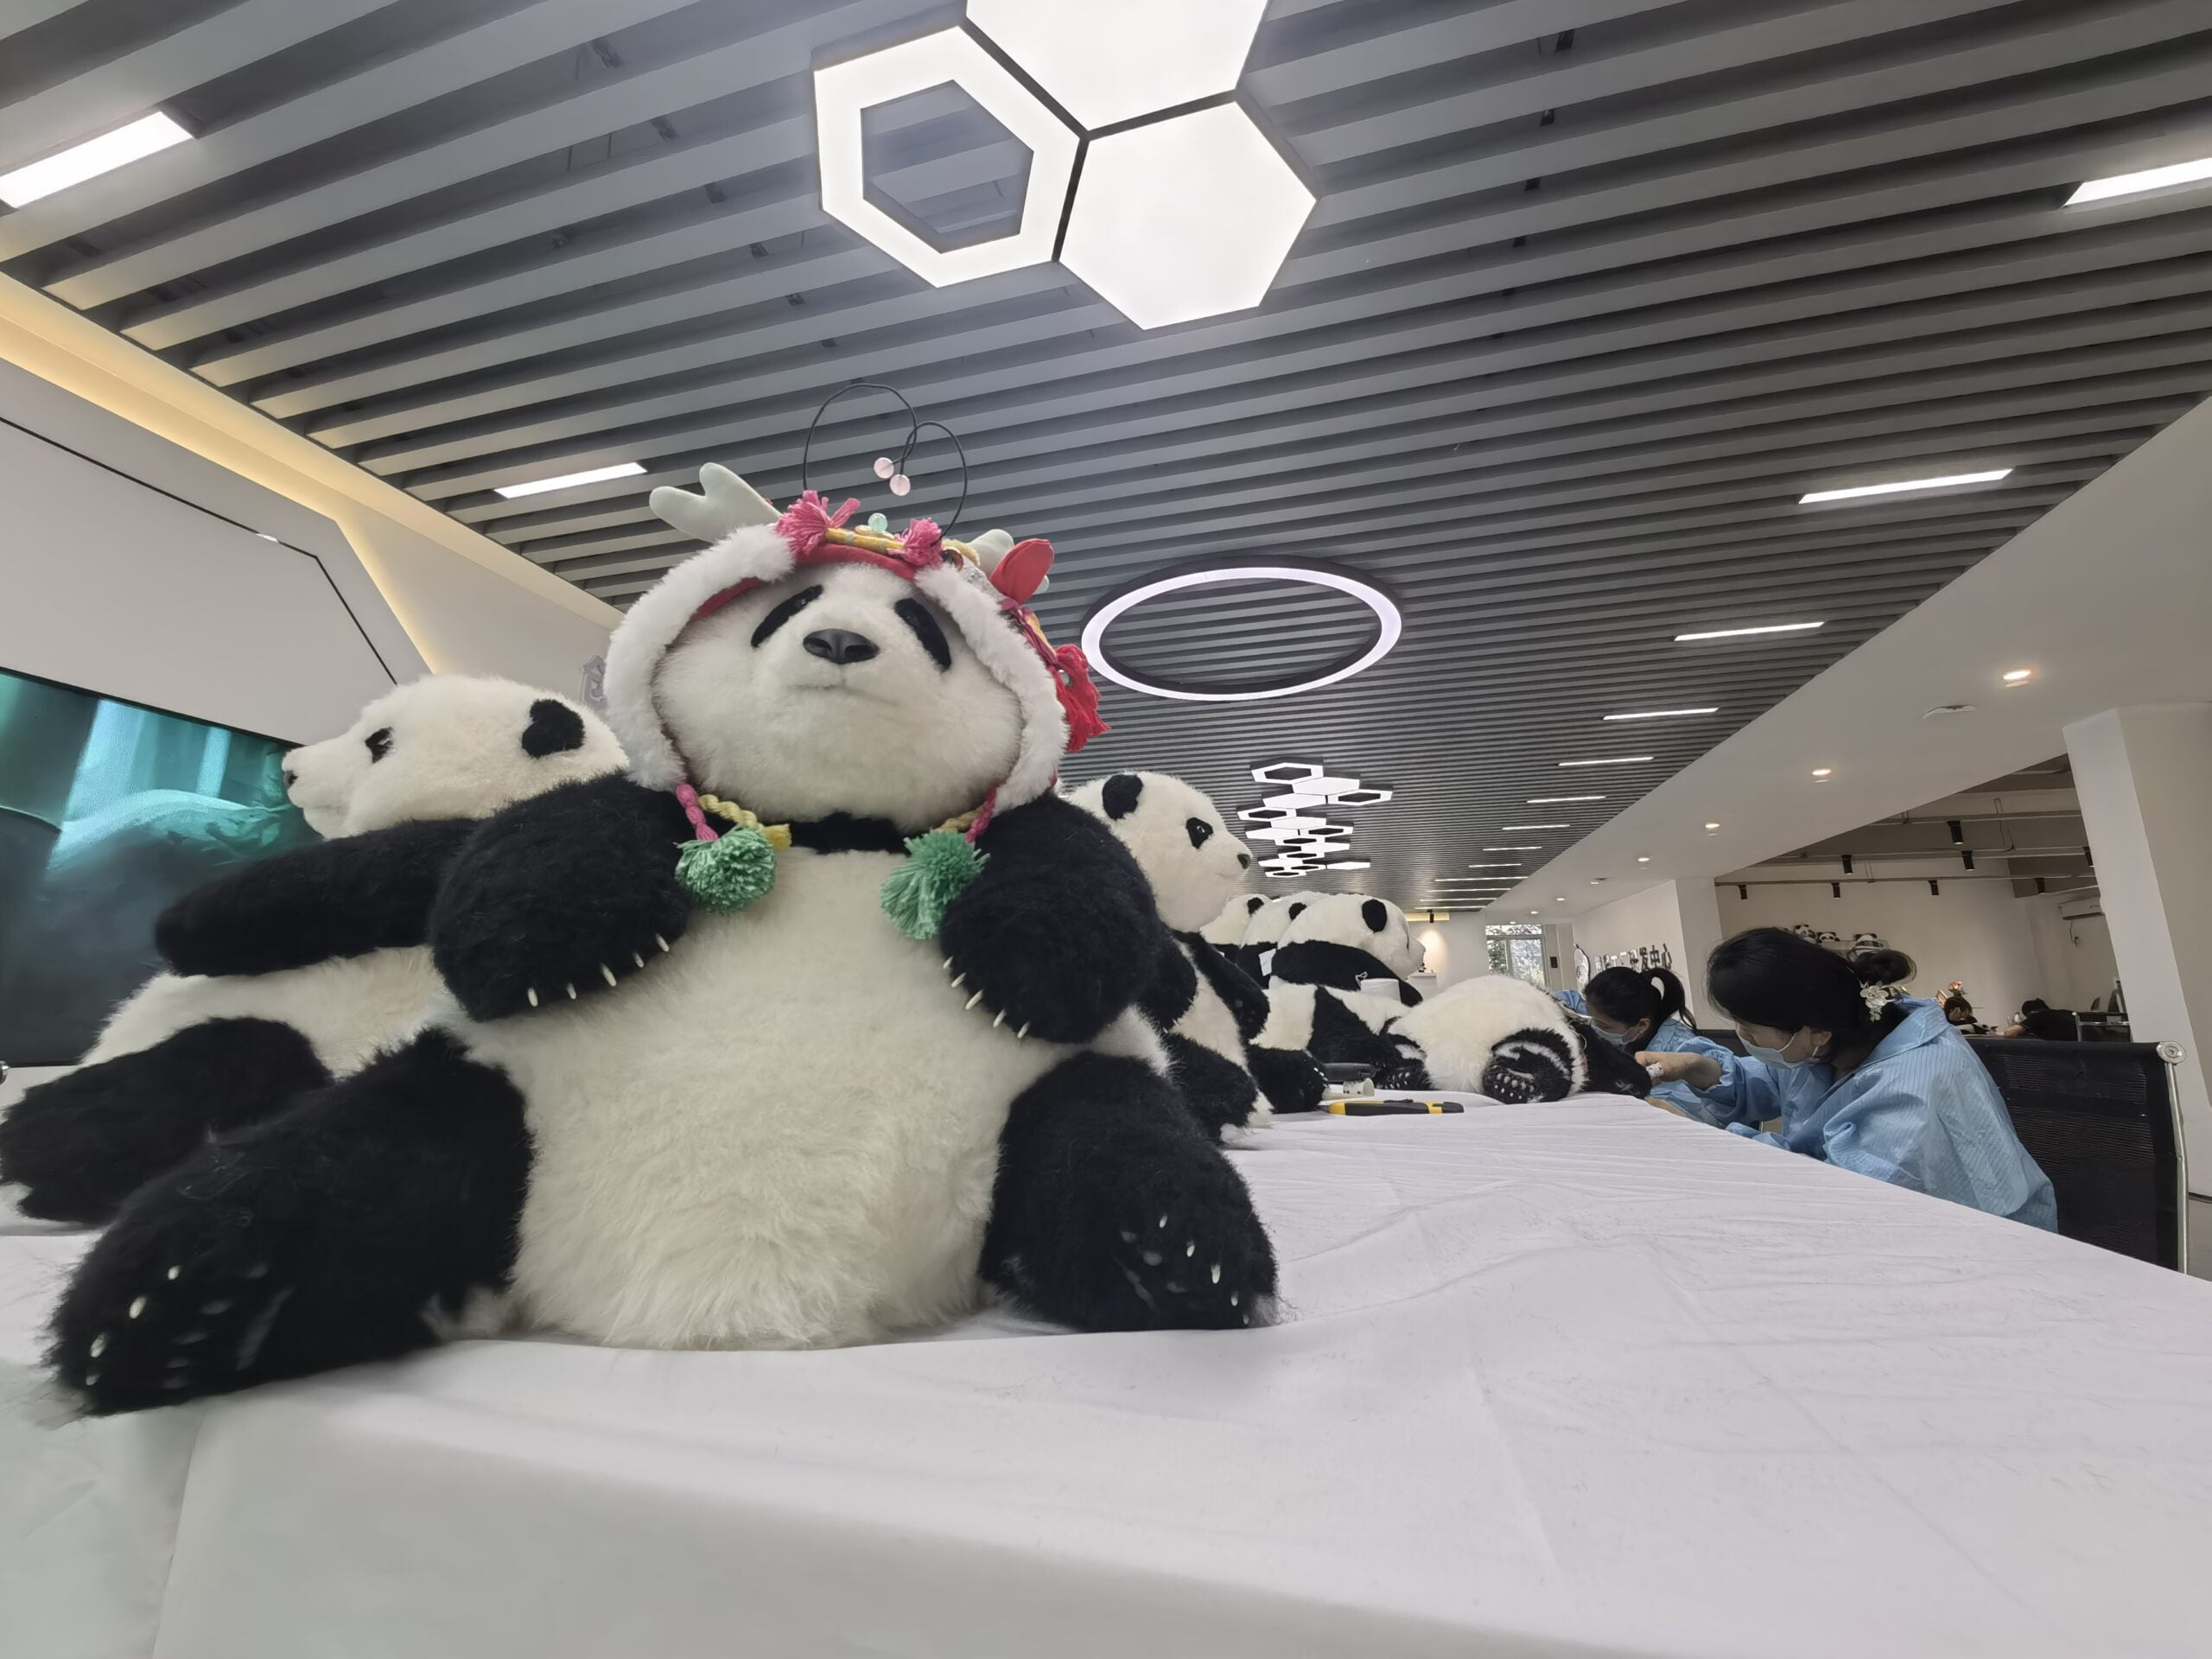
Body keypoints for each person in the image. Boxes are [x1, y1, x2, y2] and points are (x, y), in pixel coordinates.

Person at [1640, 928, 2055, 1229]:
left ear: (1814, 1031)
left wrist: (1702, 1138)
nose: (1743, 1038)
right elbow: (1771, 1080)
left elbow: (1847, 1195)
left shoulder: (1917, 1083)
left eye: (1749, 1029)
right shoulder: (1828, 1044)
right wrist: (1696, 1067)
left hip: (1977, 1244)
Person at [1556, 967, 1734, 1115]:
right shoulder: (1620, 1026)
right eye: (1590, 1019)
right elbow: (1568, 1001)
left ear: (1642, 1024)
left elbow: (1688, 1112)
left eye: (1604, 1026)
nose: (1595, 1028)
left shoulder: (1680, 1048)